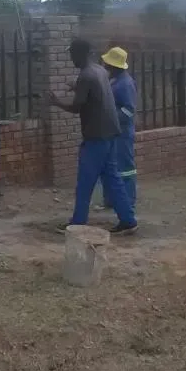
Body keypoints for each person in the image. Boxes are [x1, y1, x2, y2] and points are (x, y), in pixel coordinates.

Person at [49, 38, 138, 235]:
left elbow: (76, 107)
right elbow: (94, 94)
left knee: (85, 181)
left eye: (72, 54)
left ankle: (78, 222)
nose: (71, 58)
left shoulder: (86, 75)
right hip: (111, 134)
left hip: (96, 136)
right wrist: (77, 87)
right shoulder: (99, 70)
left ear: (79, 54)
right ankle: (128, 220)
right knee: (112, 179)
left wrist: (56, 102)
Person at [99, 46, 137, 211]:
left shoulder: (125, 83)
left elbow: (129, 110)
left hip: (122, 134)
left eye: (108, 64)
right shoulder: (114, 80)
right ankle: (111, 200)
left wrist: (111, 118)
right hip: (112, 132)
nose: (105, 67)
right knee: (110, 167)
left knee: (125, 168)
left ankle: (127, 201)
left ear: (114, 66)